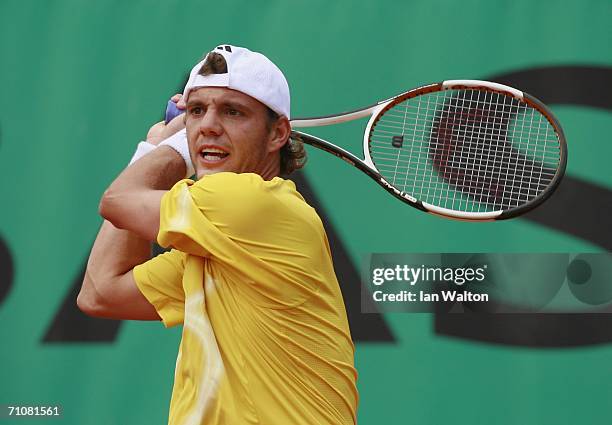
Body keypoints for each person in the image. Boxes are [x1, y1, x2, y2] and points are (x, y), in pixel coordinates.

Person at [77, 44, 358, 425]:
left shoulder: (252, 203)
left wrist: (168, 146)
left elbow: (119, 200)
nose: (208, 125)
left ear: (277, 133)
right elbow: (101, 292)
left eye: (232, 111)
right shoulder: (223, 245)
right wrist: (161, 150)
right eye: (197, 110)